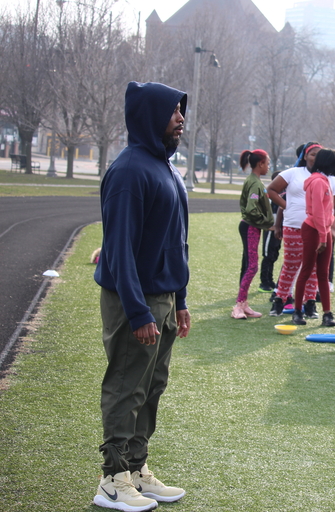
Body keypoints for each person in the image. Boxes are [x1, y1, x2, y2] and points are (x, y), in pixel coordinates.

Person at [93, 81, 190, 511]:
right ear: (151, 115)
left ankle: (135, 468)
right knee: (127, 386)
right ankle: (112, 479)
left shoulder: (165, 168)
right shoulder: (130, 170)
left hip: (164, 298)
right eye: (173, 111)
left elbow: (175, 242)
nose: (181, 118)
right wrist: (136, 311)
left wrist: (181, 300)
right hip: (137, 300)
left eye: (181, 111)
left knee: (152, 387)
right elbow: (118, 249)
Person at [266, 143, 335, 318]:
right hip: (294, 226)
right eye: (312, 154)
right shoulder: (294, 173)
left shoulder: (331, 179)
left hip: (320, 229)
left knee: (315, 269)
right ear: (305, 157)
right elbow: (271, 190)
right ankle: (280, 300)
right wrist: (288, 207)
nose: (315, 158)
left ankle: (310, 303)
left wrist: (332, 227)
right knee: (291, 265)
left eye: (318, 154)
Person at [292, 148, 335, 327]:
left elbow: (327, 211)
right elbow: (318, 211)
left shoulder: (324, 180)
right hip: (314, 230)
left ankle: (327, 313)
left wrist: (328, 229)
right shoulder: (319, 182)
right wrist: (322, 236)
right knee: (306, 269)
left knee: (323, 273)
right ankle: (298, 311)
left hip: (323, 230)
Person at [232, 149, 274, 319]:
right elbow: (251, 209)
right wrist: (266, 223)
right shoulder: (255, 183)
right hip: (250, 227)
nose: (268, 167)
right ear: (260, 164)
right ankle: (239, 305)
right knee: (252, 266)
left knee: (249, 265)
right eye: (268, 163)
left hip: (251, 227)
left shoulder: (253, 180)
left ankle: (244, 304)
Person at [258, 170, 284, 293]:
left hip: (279, 228)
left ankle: (270, 280)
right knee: (268, 255)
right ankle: (264, 281)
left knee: (274, 254)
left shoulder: (282, 194)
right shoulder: (269, 195)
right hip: (270, 228)